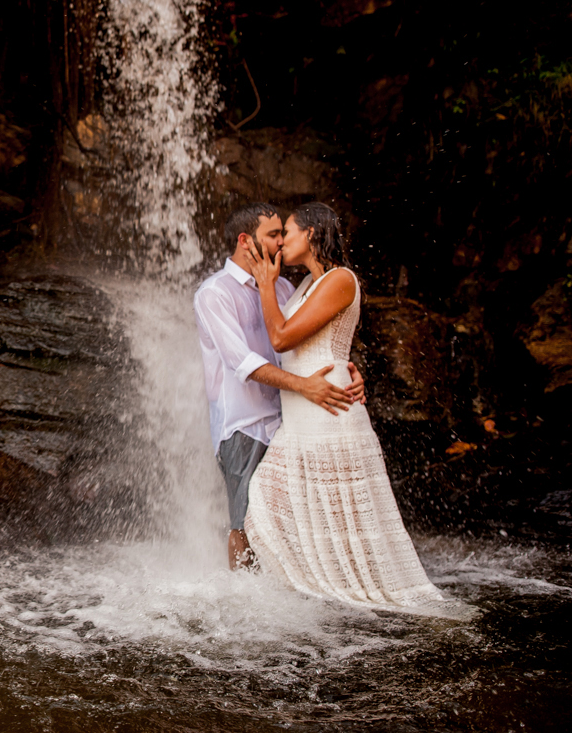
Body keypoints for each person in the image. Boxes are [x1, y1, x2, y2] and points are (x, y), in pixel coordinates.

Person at [242, 202, 472, 618]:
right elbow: (317, 346)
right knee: (266, 505)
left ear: (311, 234)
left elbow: (281, 339)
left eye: (288, 234)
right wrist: (353, 368)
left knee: (345, 524)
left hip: (329, 418)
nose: (280, 244)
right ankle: (311, 594)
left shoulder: (340, 279)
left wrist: (263, 283)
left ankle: (346, 599)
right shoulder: (305, 287)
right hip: (304, 417)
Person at [193, 202, 365, 571]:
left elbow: (311, 341)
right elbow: (244, 363)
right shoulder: (214, 294)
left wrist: (347, 370)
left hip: (292, 422)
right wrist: (304, 386)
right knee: (244, 520)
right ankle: (244, 600)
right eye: (274, 235)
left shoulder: (287, 286)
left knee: (294, 519)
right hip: (246, 424)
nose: (281, 242)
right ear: (245, 241)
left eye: (284, 233)